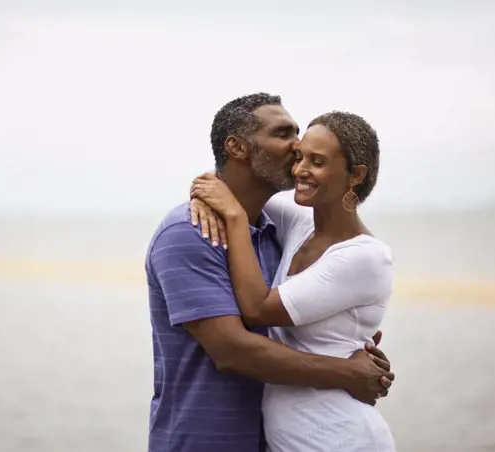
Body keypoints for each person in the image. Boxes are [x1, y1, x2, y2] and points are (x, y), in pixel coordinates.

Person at [145, 93, 394, 452]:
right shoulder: (188, 233)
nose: (297, 147)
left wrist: (350, 347)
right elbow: (232, 349)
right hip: (201, 441)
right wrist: (347, 372)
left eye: (299, 135)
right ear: (238, 147)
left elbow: (296, 324)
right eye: (283, 134)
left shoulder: (272, 231)